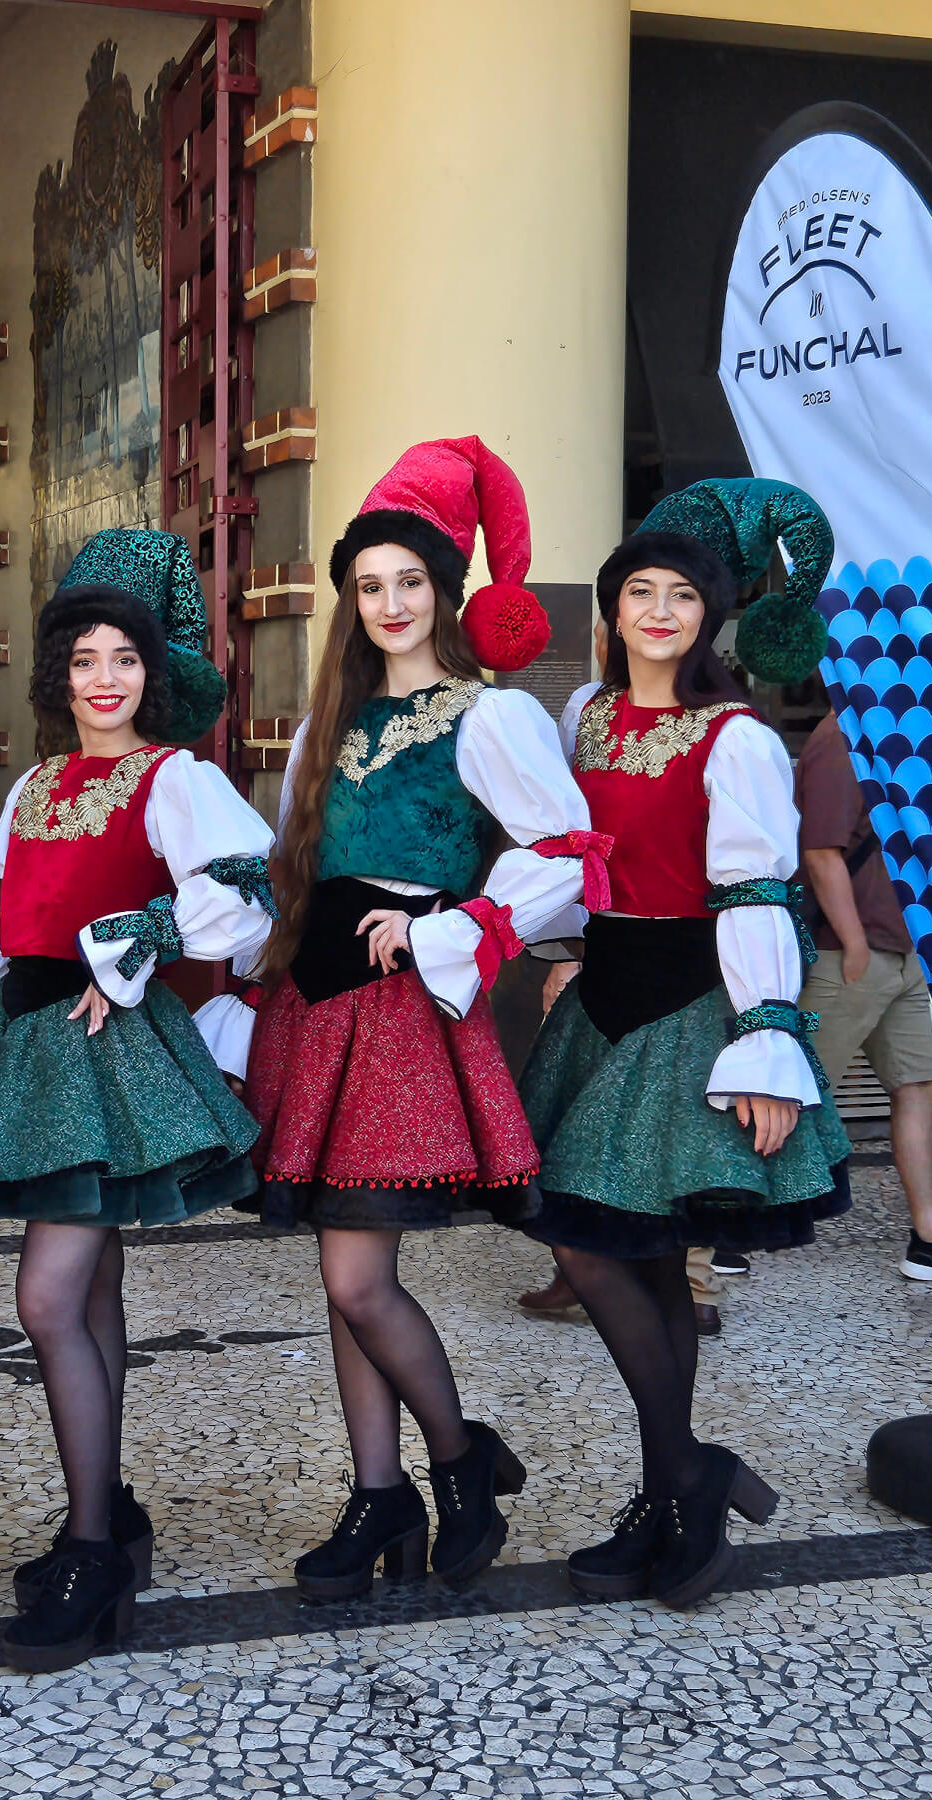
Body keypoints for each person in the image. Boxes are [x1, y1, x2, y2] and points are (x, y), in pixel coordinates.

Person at [211, 438, 611, 1603]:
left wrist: (456, 921)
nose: (389, 603)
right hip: (316, 1008)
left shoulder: (488, 717)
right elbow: (287, 871)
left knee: (356, 1280)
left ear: (444, 591)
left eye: (410, 582)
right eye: (369, 585)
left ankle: (458, 1459)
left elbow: (570, 855)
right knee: (344, 1266)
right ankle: (379, 1494)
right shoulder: (325, 722)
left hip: (401, 1016)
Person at [0, 529, 275, 1675]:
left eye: (123, 658)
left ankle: (90, 1547)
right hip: (29, 1045)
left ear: (151, 671)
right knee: (87, 1292)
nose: (103, 678)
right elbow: (2, 933)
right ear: (60, 674)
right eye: (84, 659)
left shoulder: (176, 777)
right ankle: (111, 1512)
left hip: (103, 1046)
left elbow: (247, 892)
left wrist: (141, 940)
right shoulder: (34, 787)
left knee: (46, 1298)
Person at [520, 478, 852, 1609]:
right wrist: (559, 946)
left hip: (691, 1006)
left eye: (682, 595)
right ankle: (679, 1483)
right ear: (611, 609)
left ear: (711, 616)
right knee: (630, 1253)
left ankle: (679, 1480)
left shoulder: (735, 735)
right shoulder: (580, 717)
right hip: (602, 1000)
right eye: (640, 592)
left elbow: (759, 889)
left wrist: (766, 1036)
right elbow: (562, 853)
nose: (659, 611)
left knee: (598, 1248)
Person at [797, 707, 932, 1279]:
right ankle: (721, 1233)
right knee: (789, 1092)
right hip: (850, 957)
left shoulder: (897, 728)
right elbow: (820, 850)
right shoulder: (839, 736)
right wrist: (855, 942)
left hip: (903, 951)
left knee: (916, 1087)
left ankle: (931, 1239)